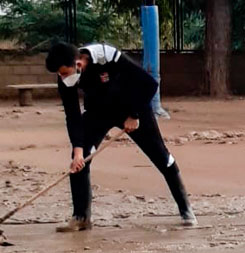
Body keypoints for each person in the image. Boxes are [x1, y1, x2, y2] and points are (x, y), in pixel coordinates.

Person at [45, 42, 196, 232]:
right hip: (98, 112)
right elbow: (72, 115)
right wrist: (77, 149)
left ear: (79, 64)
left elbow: (149, 85)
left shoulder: (107, 56)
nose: (62, 77)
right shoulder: (66, 79)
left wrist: (134, 115)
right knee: (79, 161)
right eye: (59, 74)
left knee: (160, 156)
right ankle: (81, 217)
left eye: (64, 72)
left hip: (132, 107)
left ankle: (186, 210)